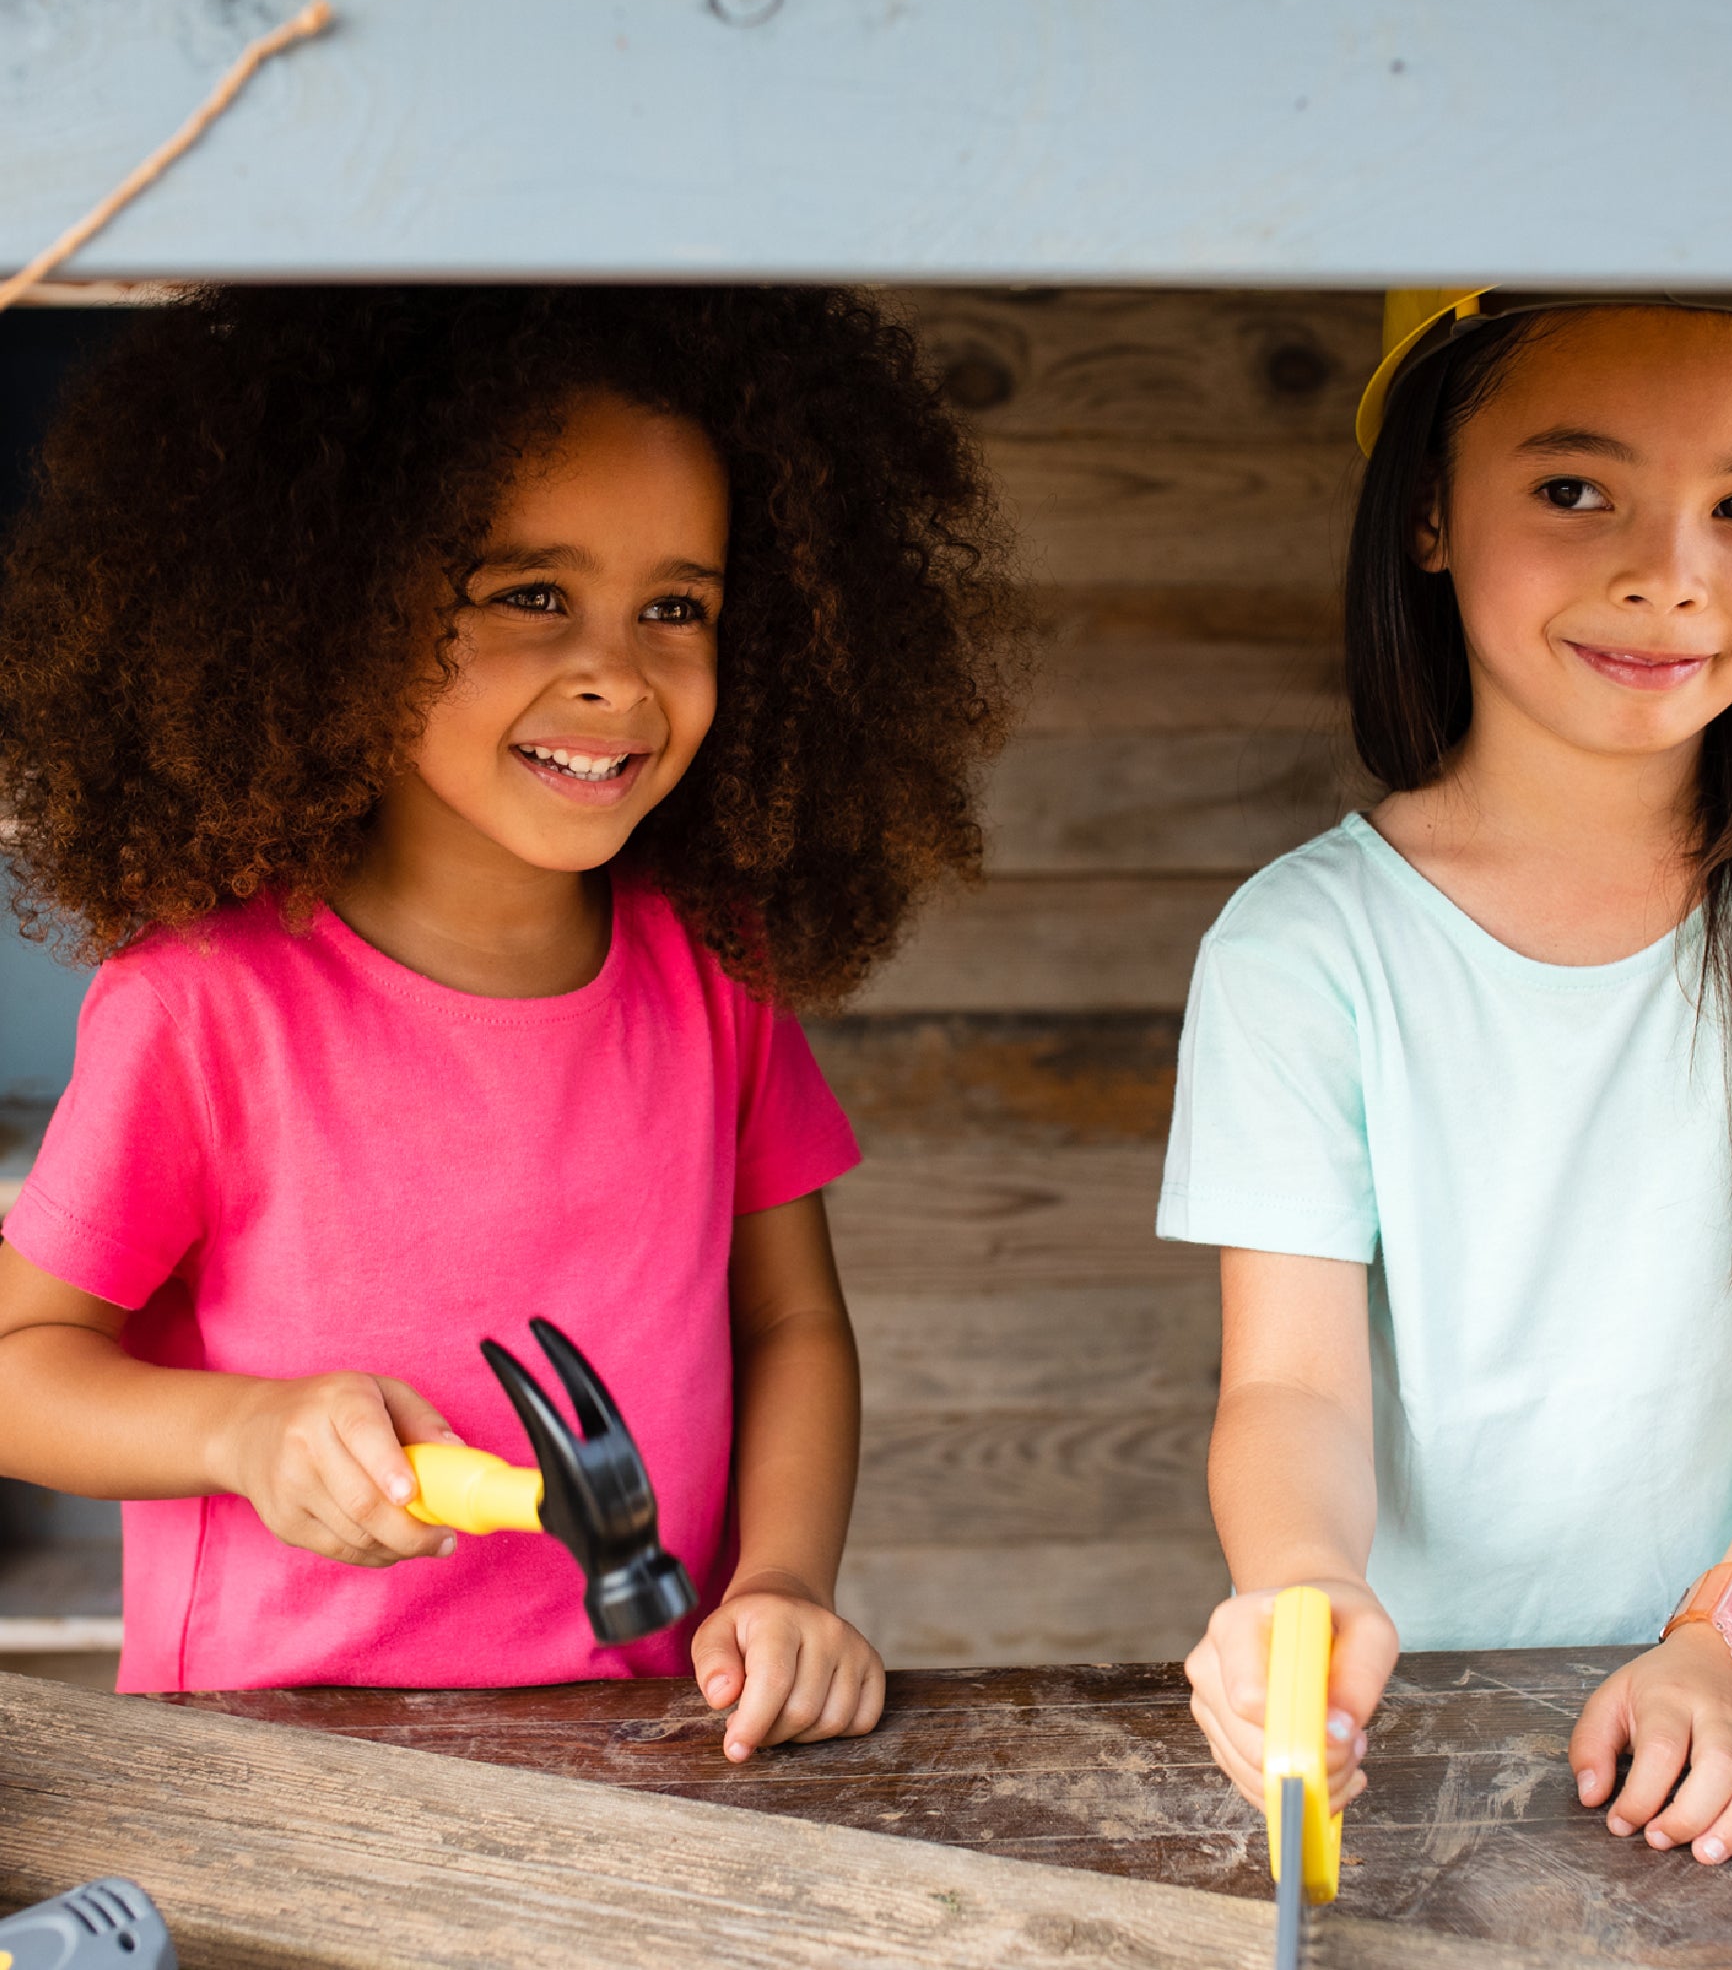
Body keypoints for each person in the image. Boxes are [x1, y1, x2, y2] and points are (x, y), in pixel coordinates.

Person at [0, 287, 1023, 1749]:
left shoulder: (713, 981)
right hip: (275, 1760)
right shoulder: (206, 1005)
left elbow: (793, 1324)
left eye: (679, 607)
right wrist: (241, 1432)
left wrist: (787, 1580)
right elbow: (17, 1369)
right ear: (339, 605)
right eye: (531, 594)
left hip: (642, 1747)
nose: (616, 671)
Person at [1160, 290, 1732, 1865]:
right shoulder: (1297, 947)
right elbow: (1288, 1384)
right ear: (1425, 514)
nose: (1667, 572)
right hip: (1421, 1738)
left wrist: (1731, 1645)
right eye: (1573, 489)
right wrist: (1301, 1588)